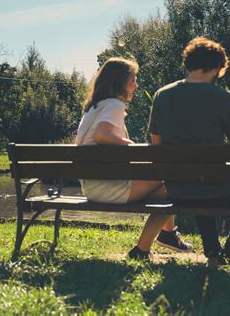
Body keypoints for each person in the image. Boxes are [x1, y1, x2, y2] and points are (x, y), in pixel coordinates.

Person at [149, 37, 230, 265]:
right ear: (217, 67)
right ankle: (228, 253)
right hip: (215, 187)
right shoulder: (224, 98)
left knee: (199, 182)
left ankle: (213, 252)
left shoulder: (162, 95)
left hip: (177, 188)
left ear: (189, 62)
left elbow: (157, 143)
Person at [76, 57, 192, 260]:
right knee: (176, 186)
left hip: (92, 187)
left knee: (166, 190)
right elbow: (101, 135)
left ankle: (166, 235)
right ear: (119, 82)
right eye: (133, 80)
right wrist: (131, 147)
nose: (136, 85)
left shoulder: (94, 107)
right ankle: (149, 246)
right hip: (109, 187)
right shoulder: (114, 104)